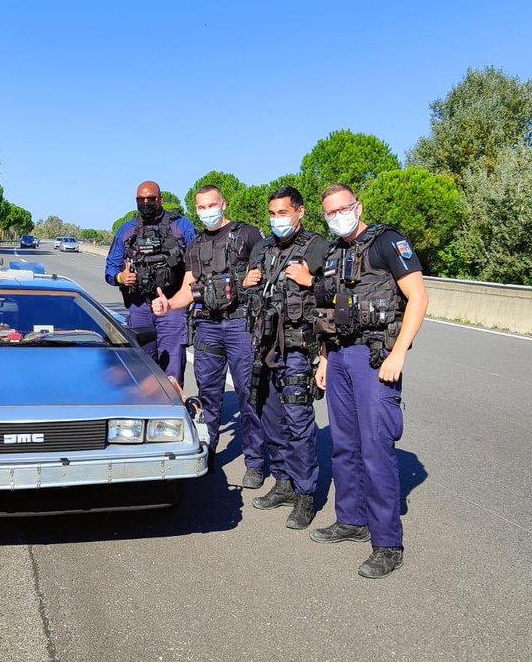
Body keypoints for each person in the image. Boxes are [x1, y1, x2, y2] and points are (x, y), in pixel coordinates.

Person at [308, 183, 429, 579]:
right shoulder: (333, 253)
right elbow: (327, 313)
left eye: (343, 208)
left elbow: (418, 298)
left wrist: (398, 354)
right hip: (340, 356)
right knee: (344, 445)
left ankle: (388, 543)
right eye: (330, 213)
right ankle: (351, 520)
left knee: (376, 448)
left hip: (375, 359)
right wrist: (324, 359)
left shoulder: (387, 242)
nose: (338, 216)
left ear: (357, 207)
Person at [150, 185, 266, 482]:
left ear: (223, 204)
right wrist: (169, 304)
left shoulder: (248, 234)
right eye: (201, 207)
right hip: (208, 326)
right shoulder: (197, 245)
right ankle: (209, 450)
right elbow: (188, 289)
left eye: (211, 205)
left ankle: (254, 460)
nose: (207, 212)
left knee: (248, 394)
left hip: (240, 324)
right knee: (208, 396)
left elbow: (266, 273)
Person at [241, 186, 329, 529]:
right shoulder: (262, 248)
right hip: (264, 345)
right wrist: (246, 280)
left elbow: (337, 292)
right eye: (273, 214)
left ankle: (306, 494)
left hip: (297, 347)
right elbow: (249, 288)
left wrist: (310, 282)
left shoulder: (317, 246)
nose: (277, 220)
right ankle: (283, 481)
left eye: (283, 213)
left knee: (298, 419)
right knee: (270, 415)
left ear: (300, 212)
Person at [105, 181, 197, 382]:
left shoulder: (182, 226)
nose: (145, 203)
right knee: (141, 365)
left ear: (161, 199)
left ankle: (172, 410)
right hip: (140, 307)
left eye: (151, 199)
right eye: (141, 199)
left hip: (172, 305)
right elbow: (110, 269)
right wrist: (121, 277)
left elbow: (197, 267)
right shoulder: (126, 230)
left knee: (172, 366)